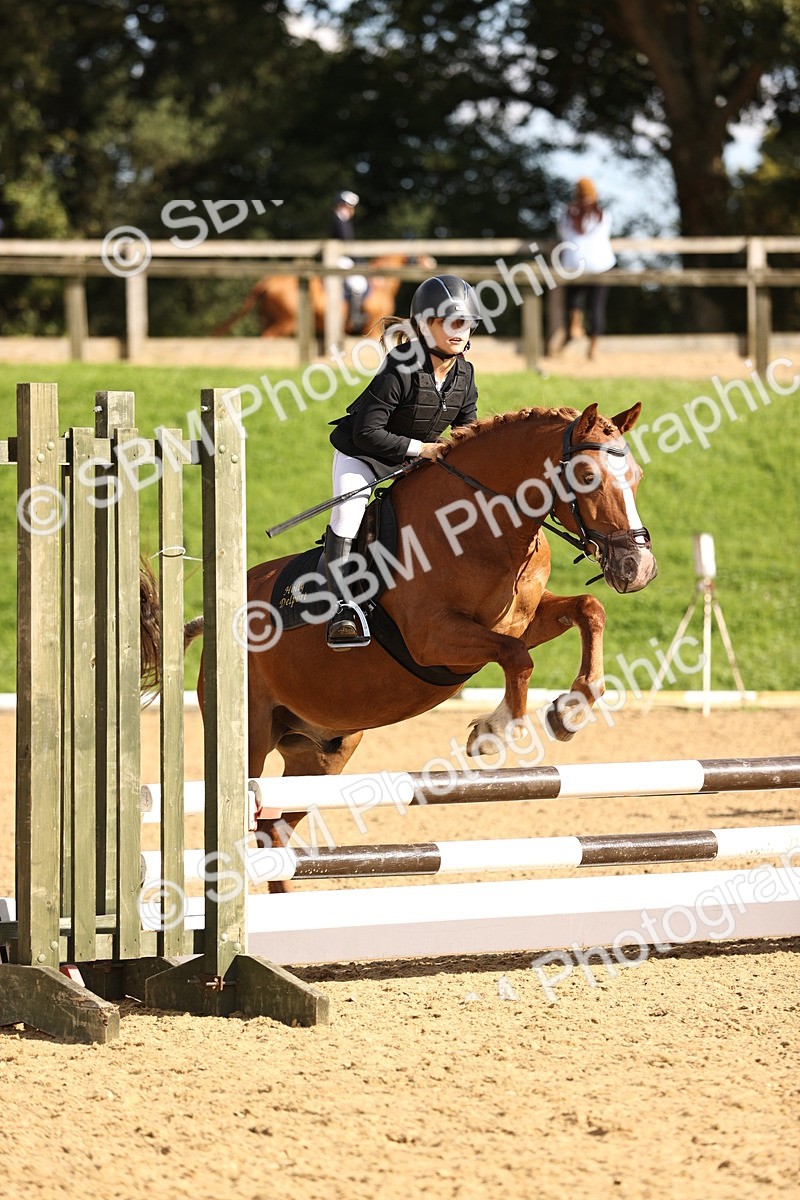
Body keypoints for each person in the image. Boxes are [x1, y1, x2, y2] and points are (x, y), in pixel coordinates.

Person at [324, 275, 482, 649]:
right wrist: (422, 449)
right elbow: (367, 432)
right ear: (427, 326)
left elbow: (467, 431)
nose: (460, 331)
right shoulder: (401, 365)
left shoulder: (465, 374)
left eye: (466, 323)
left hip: (412, 462)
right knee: (348, 512)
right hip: (363, 455)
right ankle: (341, 610)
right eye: (451, 322)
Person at [557, 178, 616, 360]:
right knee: (597, 306)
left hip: (574, 264)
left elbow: (562, 234)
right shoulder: (603, 215)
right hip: (601, 264)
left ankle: (575, 325)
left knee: (574, 297)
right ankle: (593, 348)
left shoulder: (567, 214)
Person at [330, 189, 368, 332]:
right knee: (357, 283)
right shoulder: (338, 219)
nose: (351, 209)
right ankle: (354, 318)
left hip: (344, 257)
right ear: (340, 205)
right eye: (347, 206)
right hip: (339, 258)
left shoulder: (344, 221)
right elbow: (346, 245)